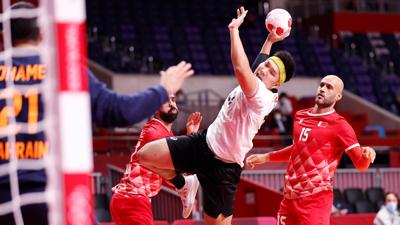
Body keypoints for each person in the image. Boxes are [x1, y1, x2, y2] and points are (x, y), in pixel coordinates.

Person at [0, 2, 194, 225]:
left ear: (3, 35)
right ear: (43, 33)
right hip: (52, 194)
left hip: (6, 195)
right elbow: (120, 111)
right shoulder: (64, 70)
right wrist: (162, 89)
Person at [137, 7, 295, 225]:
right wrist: (269, 40)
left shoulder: (262, 97)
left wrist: (233, 30)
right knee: (144, 155)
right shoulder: (261, 79)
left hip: (223, 168)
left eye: (271, 71)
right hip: (203, 143)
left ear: (276, 83)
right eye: (266, 65)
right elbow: (259, 62)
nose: (264, 69)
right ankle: (185, 184)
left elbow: (241, 67)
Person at [246, 75, 377, 225]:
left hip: (316, 200)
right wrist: (265, 158)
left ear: (338, 96)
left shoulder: (340, 125)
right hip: (289, 197)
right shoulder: (300, 116)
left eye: (329, 87)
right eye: (322, 85)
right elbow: (298, 150)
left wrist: (367, 155)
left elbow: (361, 165)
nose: (323, 89)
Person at [110, 95, 202, 224]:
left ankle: (184, 185)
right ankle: (184, 185)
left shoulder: (165, 134)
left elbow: (170, 172)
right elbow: (179, 165)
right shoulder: (154, 131)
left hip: (128, 199)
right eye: (166, 101)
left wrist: (190, 136)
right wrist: (191, 137)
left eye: (173, 100)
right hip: (133, 199)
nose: (172, 104)